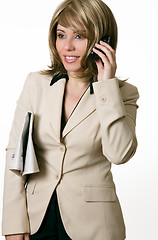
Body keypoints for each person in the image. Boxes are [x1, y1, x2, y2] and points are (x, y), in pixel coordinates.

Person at [2, 0, 139, 239]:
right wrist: (13, 223)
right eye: (61, 35)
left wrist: (106, 85)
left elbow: (119, 154)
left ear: (102, 41)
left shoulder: (123, 93)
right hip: (37, 220)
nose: (67, 46)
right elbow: (15, 153)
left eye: (79, 36)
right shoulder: (36, 84)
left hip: (94, 225)